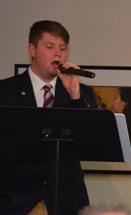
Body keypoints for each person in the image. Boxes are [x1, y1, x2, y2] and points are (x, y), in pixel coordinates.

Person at [0, 20, 97, 214]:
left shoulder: (81, 93)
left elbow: (91, 141)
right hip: (16, 200)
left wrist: (75, 97)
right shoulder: (5, 91)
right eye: (50, 46)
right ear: (32, 49)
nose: (58, 54)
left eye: (63, 48)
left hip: (67, 201)